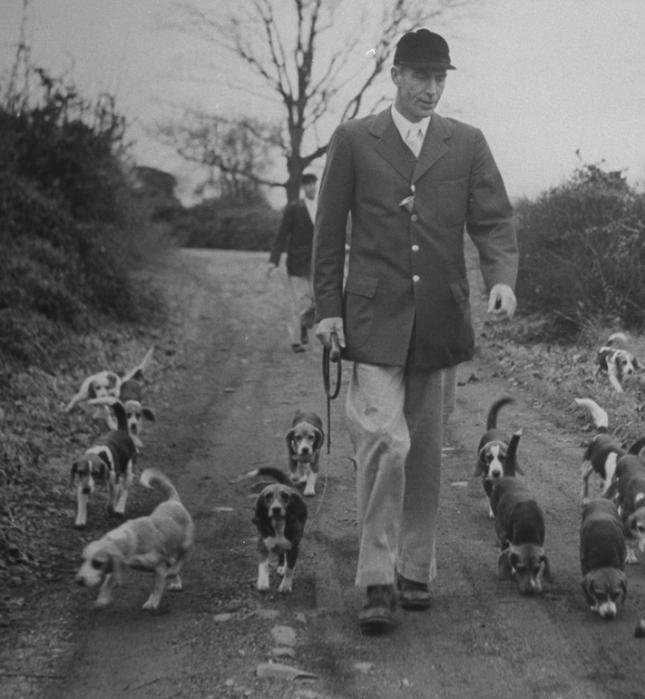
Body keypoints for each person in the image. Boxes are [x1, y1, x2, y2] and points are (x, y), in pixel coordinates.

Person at [312, 28, 518, 634]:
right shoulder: (354, 140)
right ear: (396, 76)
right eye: (421, 77)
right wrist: (327, 309)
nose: (431, 89)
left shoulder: (466, 143)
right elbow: (328, 231)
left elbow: (494, 221)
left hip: (439, 320)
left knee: (425, 450)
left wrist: (501, 279)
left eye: (440, 78)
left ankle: (415, 569)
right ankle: (377, 577)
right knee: (385, 442)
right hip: (372, 320)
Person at [268, 172, 318, 352]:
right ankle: (296, 340)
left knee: (315, 300)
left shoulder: (322, 207)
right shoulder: (294, 208)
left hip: (317, 262)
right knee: (298, 301)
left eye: (313, 184)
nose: (311, 187)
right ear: (303, 187)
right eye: (308, 184)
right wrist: (273, 260)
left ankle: (305, 325)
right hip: (297, 262)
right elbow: (282, 235)